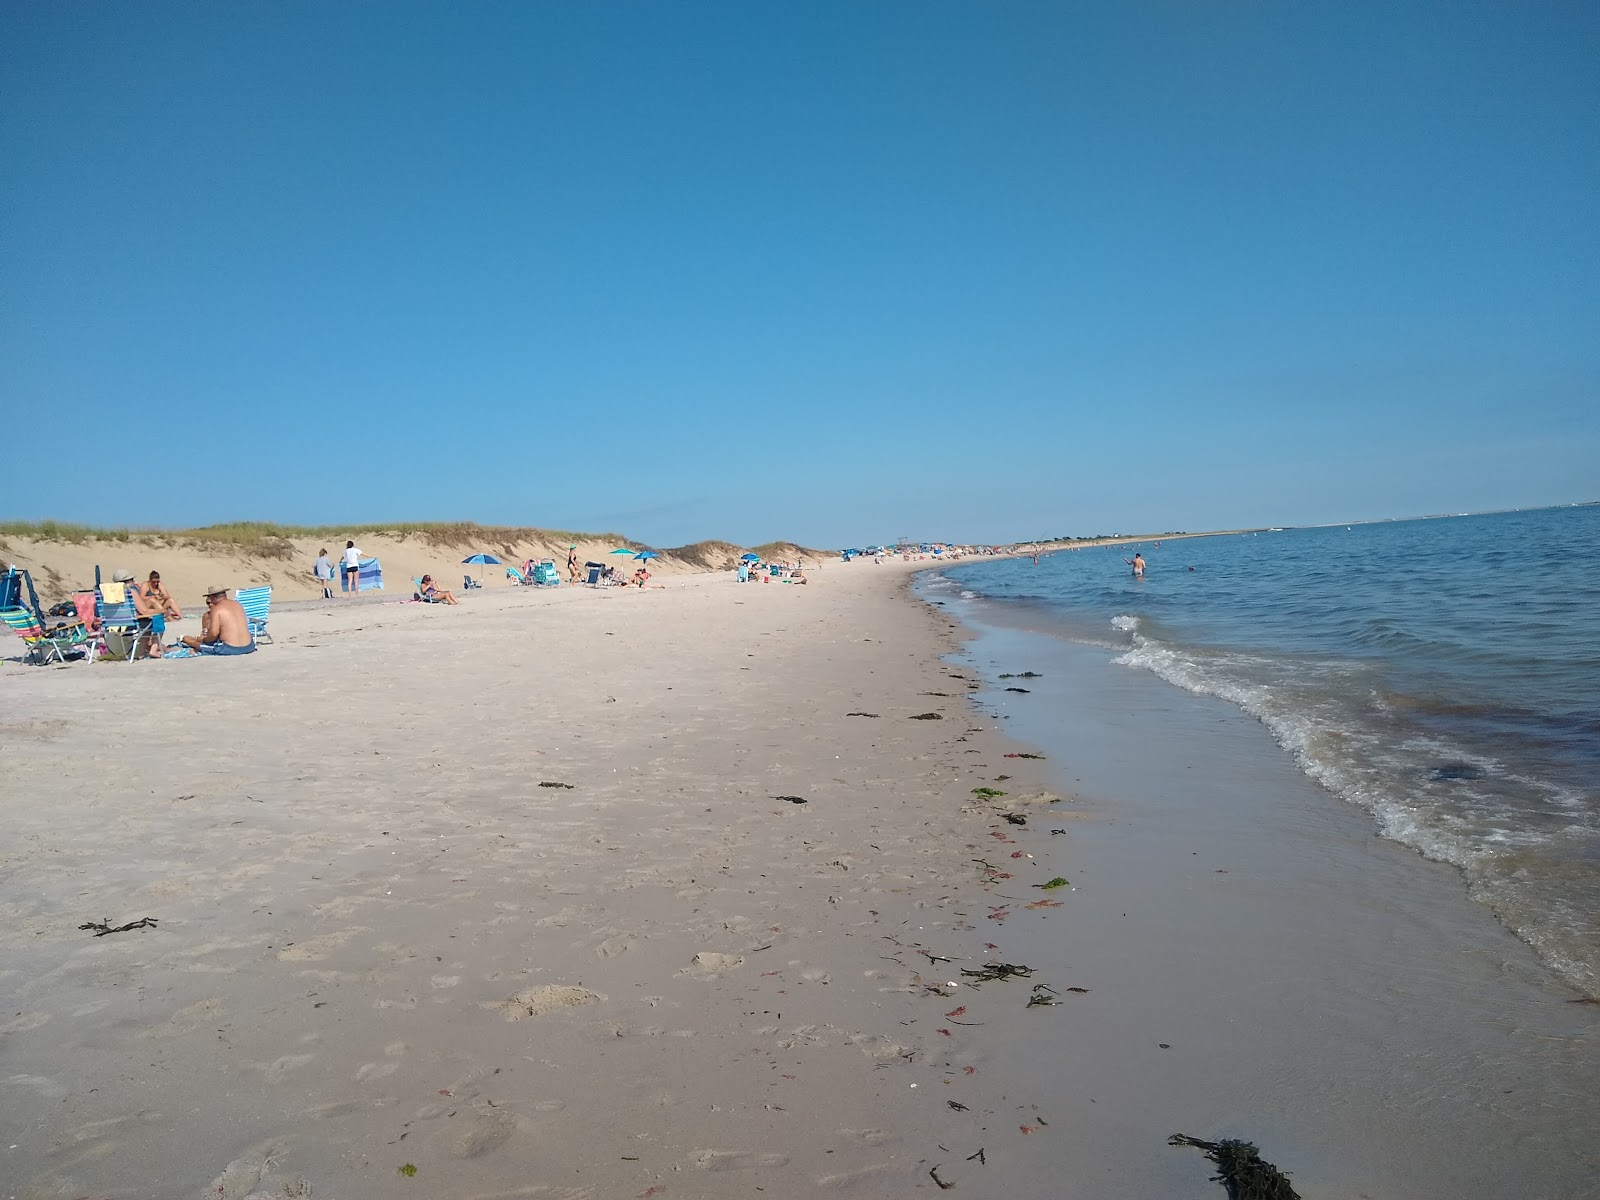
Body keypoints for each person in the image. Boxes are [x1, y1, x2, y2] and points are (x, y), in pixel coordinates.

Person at [181, 585, 256, 655]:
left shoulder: (216, 609)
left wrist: (202, 640)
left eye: (209, 598)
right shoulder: (237, 604)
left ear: (213, 597)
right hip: (249, 646)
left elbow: (213, 634)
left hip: (230, 648)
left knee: (187, 640)